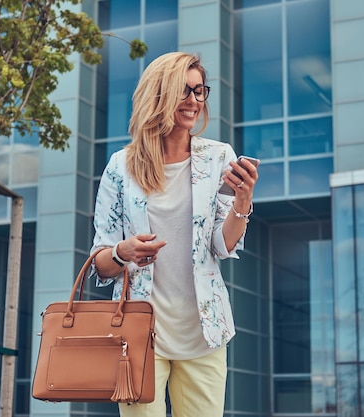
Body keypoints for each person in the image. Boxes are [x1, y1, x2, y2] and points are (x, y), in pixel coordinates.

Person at [88, 51, 258, 417]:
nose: (194, 101)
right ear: (159, 94)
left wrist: (243, 200)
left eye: (199, 91)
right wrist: (123, 252)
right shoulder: (121, 165)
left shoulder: (218, 158)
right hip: (139, 334)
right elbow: (100, 263)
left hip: (204, 332)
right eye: (184, 91)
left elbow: (223, 245)